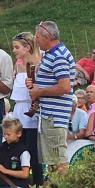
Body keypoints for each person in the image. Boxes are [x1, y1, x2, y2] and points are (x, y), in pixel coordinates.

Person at [26, 21, 75, 172]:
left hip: (54, 116)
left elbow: (64, 87)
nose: (36, 40)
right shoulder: (52, 54)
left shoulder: (58, 56)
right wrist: (35, 84)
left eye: (37, 37)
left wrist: (39, 92)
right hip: (49, 116)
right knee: (52, 161)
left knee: (58, 160)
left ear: (47, 37)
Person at [10, 32, 43, 187]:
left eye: (17, 47)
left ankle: (38, 184)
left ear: (27, 47)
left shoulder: (38, 64)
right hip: (18, 109)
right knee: (18, 148)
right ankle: (20, 184)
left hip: (30, 111)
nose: (14, 50)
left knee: (31, 150)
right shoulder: (18, 65)